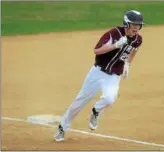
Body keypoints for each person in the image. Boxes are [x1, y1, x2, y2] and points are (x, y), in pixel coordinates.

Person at [54, 10, 144, 142]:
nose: (137, 27)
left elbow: (134, 50)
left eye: (139, 25)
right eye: (134, 24)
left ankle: (96, 111)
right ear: (126, 24)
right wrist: (116, 45)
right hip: (97, 73)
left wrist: (128, 64)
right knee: (79, 102)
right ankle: (62, 127)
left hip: (113, 76)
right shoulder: (114, 34)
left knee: (109, 99)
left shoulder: (138, 39)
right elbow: (97, 50)